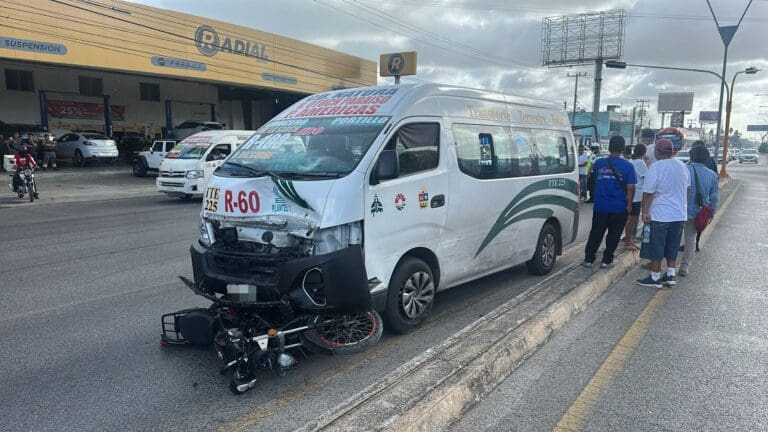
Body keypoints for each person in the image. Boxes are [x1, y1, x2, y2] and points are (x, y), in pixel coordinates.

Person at [636, 138, 690, 288]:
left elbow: (648, 193)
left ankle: (655, 278)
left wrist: (645, 211)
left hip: (661, 214)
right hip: (679, 214)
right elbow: (687, 190)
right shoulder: (683, 166)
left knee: (657, 246)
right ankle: (671, 275)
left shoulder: (656, 167)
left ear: (657, 152)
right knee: (672, 245)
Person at [583, 136, 637, 269]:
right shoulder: (628, 166)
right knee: (614, 234)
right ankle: (607, 260)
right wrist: (629, 204)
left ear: (610, 147)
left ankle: (589, 259)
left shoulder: (599, 163)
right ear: (623, 148)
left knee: (596, 233)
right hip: (619, 208)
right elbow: (631, 187)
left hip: (600, 206)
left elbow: (593, 177)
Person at [679, 146, 718, 277]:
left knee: (674, 238)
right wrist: (712, 213)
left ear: (691, 156)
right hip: (698, 212)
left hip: (679, 209)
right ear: (706, 158)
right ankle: (684, 267)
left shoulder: (683, 170)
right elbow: (714, 197)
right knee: (691, 239)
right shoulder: (712, 175)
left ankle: (670, 266)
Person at [623, 143, 647, 248]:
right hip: (637, 195)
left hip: (629, 193)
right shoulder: (641, 163)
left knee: (628, 218)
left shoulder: (630, 161)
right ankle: (629, 241)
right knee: (633, 219)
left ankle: (628, 238)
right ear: (644, 152)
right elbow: (647, 178)